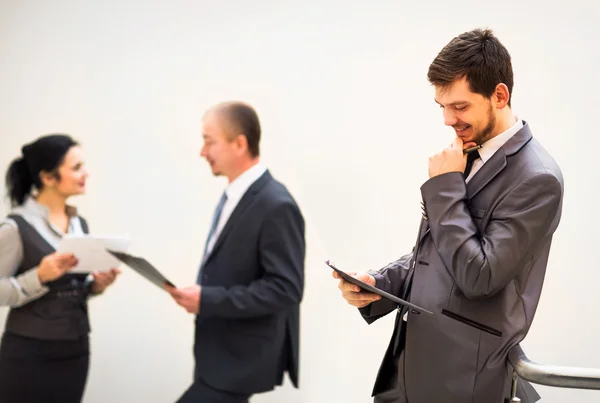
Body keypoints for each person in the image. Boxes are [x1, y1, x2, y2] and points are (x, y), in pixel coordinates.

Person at [333, 28, 563, 403]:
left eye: (459, 106)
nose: (447, 119)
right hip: (407, 375)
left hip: (462, 383)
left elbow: (479, 275)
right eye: (441, 106)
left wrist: (444, 187)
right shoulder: (466, 152)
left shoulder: (537, 178)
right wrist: (377, 284)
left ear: (499, 95)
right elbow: (438, 253)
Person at [166, 101, 305, 403]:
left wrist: (207, 299)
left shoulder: (276, 204)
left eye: (209, 141)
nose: (202, 151)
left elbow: (286, 289)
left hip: (239, 362)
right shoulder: (235, 193)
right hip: (217, 356)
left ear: (239, 143)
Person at [0, 134, 120, 403]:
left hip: (75, 350)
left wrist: (95, 286)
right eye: (76, 168)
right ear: (48, 177)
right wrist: (38, 277)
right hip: (29, 353)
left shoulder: (80, 225)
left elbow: (70, 289)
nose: (86, 173)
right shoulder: (15, 227)